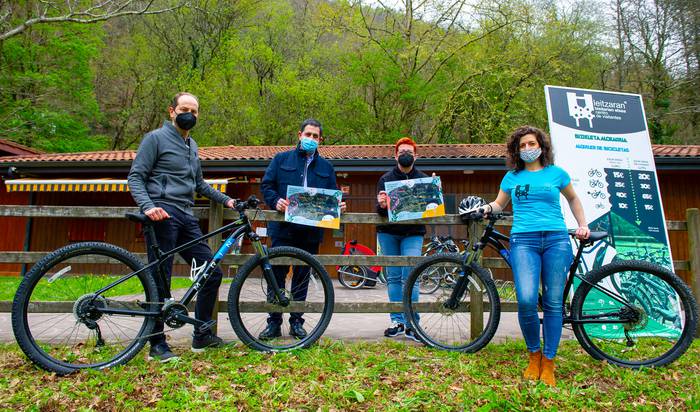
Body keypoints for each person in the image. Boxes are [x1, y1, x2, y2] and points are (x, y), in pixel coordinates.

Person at [128, 92, 235, 362]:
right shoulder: (155, 138)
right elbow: (136, 176)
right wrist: (148, 206)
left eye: (195, 110)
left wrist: (229, 200)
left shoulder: (192, 145)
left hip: (186, 215)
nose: (190, 114)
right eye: (185, 108)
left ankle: (202, 335)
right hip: (162, 213)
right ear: (172, 111)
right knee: (159, 278)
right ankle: (156, 344)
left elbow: (199, 184)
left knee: (211, 272)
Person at [483, 126, 590, 386]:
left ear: (541, 145)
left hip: (556, 239)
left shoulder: (557, 174)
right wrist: (485, 208)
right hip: (524, 241)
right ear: (516, 151)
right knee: (527, 299)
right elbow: (499, 204)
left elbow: (574, 199)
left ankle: (549, 362)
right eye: (522, 146)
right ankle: (534, 355)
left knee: (553, 302)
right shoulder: (512, 177)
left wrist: (582, 224)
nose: (528, 149)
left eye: (532, 143)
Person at [259, 118, 346, 340]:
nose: (311, 139)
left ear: (321, 140)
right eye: (308, 135)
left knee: (302, 276)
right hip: (283, 229)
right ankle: (274, 322)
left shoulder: (327, 167)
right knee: (276, 275)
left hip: (310, 232)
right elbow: (266, 186)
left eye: (315, 136)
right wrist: (275, 201)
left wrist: (338, 206)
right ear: (299, 135)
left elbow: (332, 195)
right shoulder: (281, 160)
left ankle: (297, 322)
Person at [376, 137, 427, 342]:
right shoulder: (385, 179)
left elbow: (429, 210)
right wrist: (380, 205)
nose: (406, 154)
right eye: (402, 151)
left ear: (416, 155)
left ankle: (412, 322)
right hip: (388, 232)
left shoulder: (423, 179)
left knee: (411, 276)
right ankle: (396, 321)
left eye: (409, 151)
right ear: (395, 155)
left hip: (413, 233)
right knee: (394, 277)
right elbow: (378, 212)